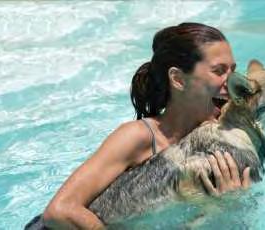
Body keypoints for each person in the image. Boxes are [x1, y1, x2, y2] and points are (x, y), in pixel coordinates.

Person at [42, 22, 251, 229]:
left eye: (233, 70)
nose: (233, 83)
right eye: (219, 71)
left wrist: (229, 204)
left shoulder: (225, 141)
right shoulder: (138, 137)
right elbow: (60, 211)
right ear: (178, 79)